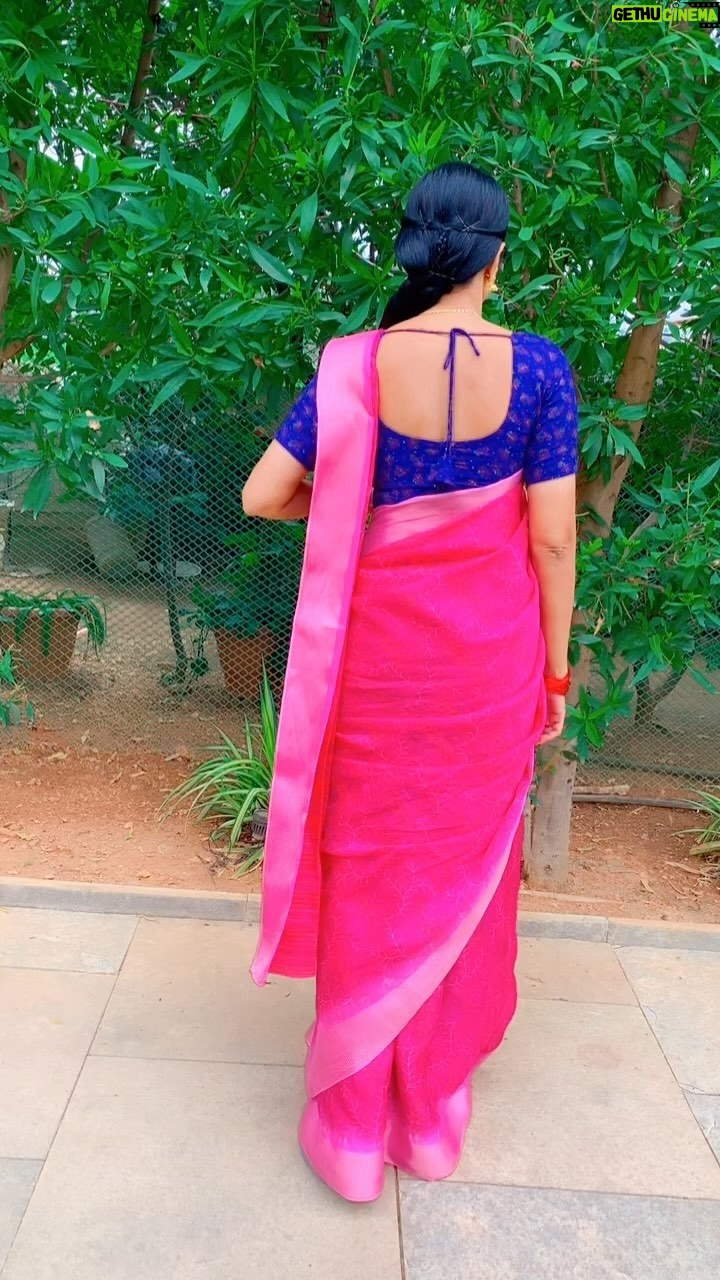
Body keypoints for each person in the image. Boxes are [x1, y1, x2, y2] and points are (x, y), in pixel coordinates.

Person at [242, 161, 578, 1204]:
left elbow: (263, 494)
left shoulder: (355, 365)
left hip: (375, 669)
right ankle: (429, 1117)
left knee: (373, 865)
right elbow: (554, 538)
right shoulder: (542, 370)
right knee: (462, 873)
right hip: (489, 666)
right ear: (495, 257)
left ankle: (351, 1130)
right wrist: (557, 671)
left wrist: (352, 504)